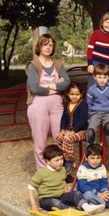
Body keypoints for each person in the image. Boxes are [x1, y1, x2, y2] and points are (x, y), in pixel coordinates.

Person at [26, 34, 71, 169]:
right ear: (39, 46)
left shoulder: (58, 64)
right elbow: (34, 87)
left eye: (51, 45)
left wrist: (47, 86)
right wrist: (55, 87)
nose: (48, 47)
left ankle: (60, 169)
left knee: (60, 138)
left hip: (57, 104)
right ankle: (42, 171)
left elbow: (67, 82)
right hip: (38, 104)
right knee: (40, 140)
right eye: (45, 44)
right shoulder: (33, 65)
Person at [27, 145, 104, 214]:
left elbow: (63, 181)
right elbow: (30, 188)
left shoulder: (62, 169)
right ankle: (71, 212)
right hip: (47, 200)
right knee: (56, 203)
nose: (60, 162)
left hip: (61, 196)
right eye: (57, 160)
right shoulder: (42, 173)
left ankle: (86, 207)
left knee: (76, 193)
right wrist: (33, 205)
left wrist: (67, 193)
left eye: (61, 159)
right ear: (47, 161)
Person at [55, 83, 88, 175]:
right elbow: (63, 118)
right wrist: (62, 130)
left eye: (77, 94)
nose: (74, 96)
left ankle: (69, 161)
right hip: (69, 130)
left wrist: (73, 131)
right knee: (58, 138)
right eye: (72, 94)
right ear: (68, 94)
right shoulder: (67, 104)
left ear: (81, 95)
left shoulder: (83, 105)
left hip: (82, 131)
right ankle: (60, 160)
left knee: (68, 139)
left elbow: (82, 120)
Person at [86, 12, 109, 85]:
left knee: (104, 84)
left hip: (107, 64)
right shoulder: (96, 33)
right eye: (107, 22)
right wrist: (90, 64)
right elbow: (90, 49)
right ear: (102, 22)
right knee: (93, 84)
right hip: (95, 63)